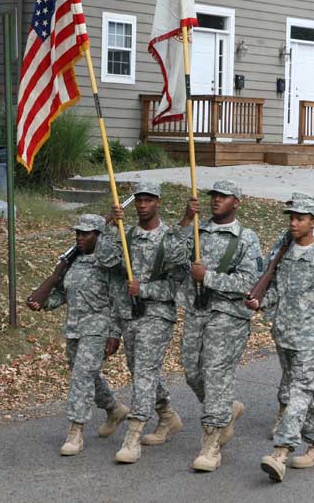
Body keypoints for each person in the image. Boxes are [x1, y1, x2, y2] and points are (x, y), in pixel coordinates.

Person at [246, 197, 314, 482]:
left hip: (313, 339)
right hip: (285, 335)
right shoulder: (283, 253)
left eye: (301, 218)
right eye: (292, 217)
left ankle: (280, 452)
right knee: (305, 394)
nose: (294, 222)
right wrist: (261, 302)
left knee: (296, 393)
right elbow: (278, 292)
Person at [166, 180, 262, 472]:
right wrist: (185, 219)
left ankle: (211, 444)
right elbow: (169, 257)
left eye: (223, 196)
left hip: (228, 315)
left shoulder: (246, 238)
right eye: (214, 196)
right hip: (197, 312)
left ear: (237, 202)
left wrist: (207, 276)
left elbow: (249, 283)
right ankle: (225, 410)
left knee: (216, 373)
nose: (216, 200)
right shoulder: (197, 230)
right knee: (193, 372)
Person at [96, 182, 185, 464]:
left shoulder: (170, 239)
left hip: (158, 315)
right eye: (139, 201)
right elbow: (107, 261)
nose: (143, 205)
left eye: (148, 200)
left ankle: (133, 435)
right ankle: (168, 415)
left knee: (144, 369)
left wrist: (144, 289)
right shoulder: (128, 234)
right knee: (140, 370)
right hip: (130, 315)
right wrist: (109, 225)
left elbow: (178, 286)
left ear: (158, 202)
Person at [26, 214, 127, 456]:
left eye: (86, 233)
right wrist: (44, 302)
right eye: (77, 233)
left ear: (99, 236)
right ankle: (113, 408)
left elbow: (118, 300)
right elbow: (63, 293)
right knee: (86, 374)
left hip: (98, 329)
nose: (80, 237)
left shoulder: (108, 263)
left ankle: (75, 431)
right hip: (74, 328)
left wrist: (115, 334)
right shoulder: (72, 262)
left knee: (81, 376)